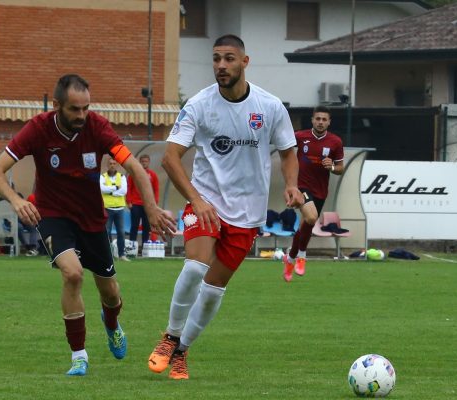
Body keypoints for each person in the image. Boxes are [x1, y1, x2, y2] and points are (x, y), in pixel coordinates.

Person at [0, 74, 175, 377]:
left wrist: (151, 209)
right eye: (75, 109)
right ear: (58, 105)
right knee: (72, 274)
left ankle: (111, 323)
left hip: (91, 219)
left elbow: (134, 167)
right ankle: (79, 355)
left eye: (86, 108)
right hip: (53, 215)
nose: (82, 115)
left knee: (110, 292)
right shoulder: (37, 129)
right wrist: (16, 201)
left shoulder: (98, 127)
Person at [147, 34, 303, 380]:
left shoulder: (270, 106)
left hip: (247, 216)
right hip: (206, 204)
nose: (221, 65)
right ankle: (170, 337)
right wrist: (197, 200)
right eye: (216, 58)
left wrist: (291, 185)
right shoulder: (199, 105)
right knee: (193, 269)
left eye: (229, 58)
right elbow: (171, 158)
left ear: (244, 63)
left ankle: (182, 352)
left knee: (213, 291)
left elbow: (289, 151)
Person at [282, 106, 344, 282]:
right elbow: (284, 148)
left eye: (324, 119)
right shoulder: (300, 136)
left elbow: (340, 168)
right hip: (301, 186)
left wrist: (331, 166)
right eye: (318, 119)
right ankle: (302, 255)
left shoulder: (335, 142)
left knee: (306, 225)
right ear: (312, 120)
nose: (320, 122)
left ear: (329, 122)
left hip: (320, 191)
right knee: (310, 218)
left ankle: (290, 258)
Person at [126, 154, 159, 248]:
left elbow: (156, 189)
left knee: (146, 226)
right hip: (135, 204)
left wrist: (155, 203)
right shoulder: (134, 174)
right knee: (134, 226)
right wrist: (129, 201)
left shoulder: (153, 175)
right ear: (139, 162)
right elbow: (128, 187)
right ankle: (131, 248)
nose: (144, 163)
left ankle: (145, 247)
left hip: (147, 205)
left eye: (146, 161)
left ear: (149, 162)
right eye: (142, 161)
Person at [100, 158, 130, 262]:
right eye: (110, 164)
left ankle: (122, 254)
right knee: (107, 232)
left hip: (120, 208)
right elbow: (102, 189)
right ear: (107, 165)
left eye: (114, 163)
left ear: (116, 165)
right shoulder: (102, 176)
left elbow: (124, 191)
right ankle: (109, 254)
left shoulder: (121, 177)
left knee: (121, 232)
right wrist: (116, 188)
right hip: (108, 208)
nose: (112, 165)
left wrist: (110, 190)